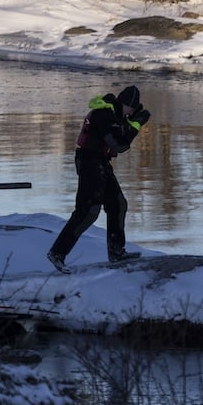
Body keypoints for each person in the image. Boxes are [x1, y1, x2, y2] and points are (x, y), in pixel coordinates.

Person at [48, 84, 149, 271]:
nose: (130, 114)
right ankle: (57, 252)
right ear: (126, 104)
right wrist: (136, 125)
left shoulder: (113, 114)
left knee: (118, 204)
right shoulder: (105, 114)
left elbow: (117, 136)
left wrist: (131, 123)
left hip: (100, 162)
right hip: (90, 163)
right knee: (88, 211)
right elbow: (119, 144)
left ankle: (116, 252)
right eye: (131, 110)